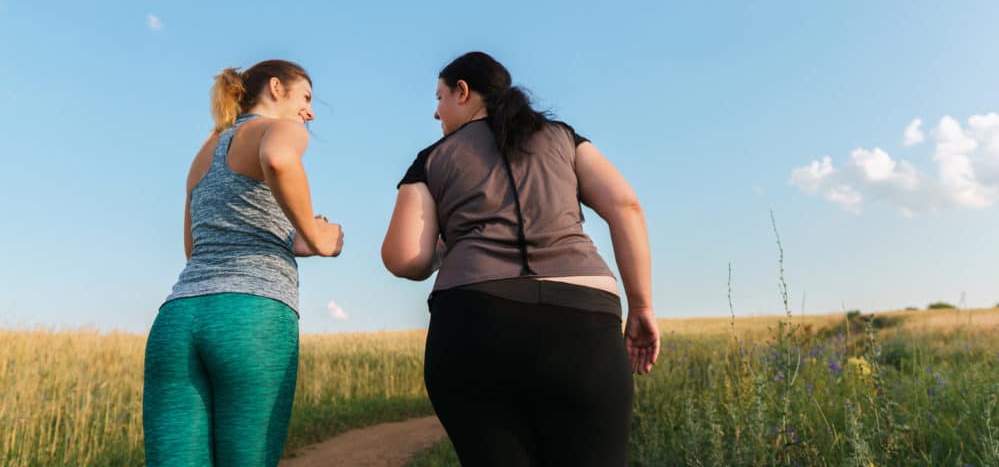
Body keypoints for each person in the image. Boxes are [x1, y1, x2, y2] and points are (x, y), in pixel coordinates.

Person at [381, 51, 659, 466]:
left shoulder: (431, 160)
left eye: (439, 98)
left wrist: (450, 248)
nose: (436, 114)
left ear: (463, 92)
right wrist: (641, 306)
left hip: (474, 326)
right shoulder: (565, 138)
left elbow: (405, 259)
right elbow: (626, 206)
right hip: (584, 323)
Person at [143, 59, 344, 466]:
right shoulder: (281, 128)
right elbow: (278, 158)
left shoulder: (206, 149)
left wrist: (291, 238)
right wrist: (318, 236)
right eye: (305, 97)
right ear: (275, 88)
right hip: (250, 318)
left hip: (177, 320)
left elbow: (195, 247)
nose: (310, 111)